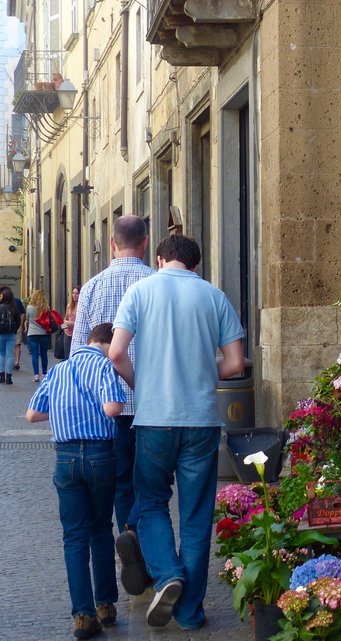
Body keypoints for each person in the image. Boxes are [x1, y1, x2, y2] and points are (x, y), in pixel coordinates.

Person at [110, 234, 244, 629]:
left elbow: (116, 353)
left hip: (153, 417)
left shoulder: (140, 290)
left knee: (150, 502)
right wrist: (202, 372)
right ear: (195, 265)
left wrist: (142, 383)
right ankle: (189, 613)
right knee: (197, 515)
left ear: (159, 258)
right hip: (200, 419)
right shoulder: (213, 296)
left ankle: (168, 574)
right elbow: (235, 363)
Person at [25, 323, 127, 640]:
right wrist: (97, 407)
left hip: (65, 457)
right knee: (100, 529)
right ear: (108, 343)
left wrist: (63, 411)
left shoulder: (60, 370)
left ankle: (82, 616)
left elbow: (32, 414)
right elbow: (113, 408)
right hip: (99, 455)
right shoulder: (104, 366)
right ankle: (105, 605)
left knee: (73, 536)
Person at [72, 215, 154, 580]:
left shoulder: (91, 288)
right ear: (146, 242)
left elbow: (79, 355)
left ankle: (129, 540)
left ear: (111, 243)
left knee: (123, 481)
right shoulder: (156, 283)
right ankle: (139, 537)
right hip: (153, 400)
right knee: (152, 482)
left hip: (111, 406)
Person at [25, 289, 61, 382]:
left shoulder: (29, 308)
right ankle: (44, 373)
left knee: (34, 355)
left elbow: (27, 320)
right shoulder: (46, 308)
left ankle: (36, 374)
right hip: (44, 334)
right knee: (44, 354)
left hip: (32, 334)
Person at [0, 287, 20, 383]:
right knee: (10, 355)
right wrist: (14, 330)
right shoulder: (15, 307)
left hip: (1, 333)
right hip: (11, 334)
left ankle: (1, 376)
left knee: (1, 354)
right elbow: (18, 321)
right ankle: (9, 377)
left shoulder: (0, 307)